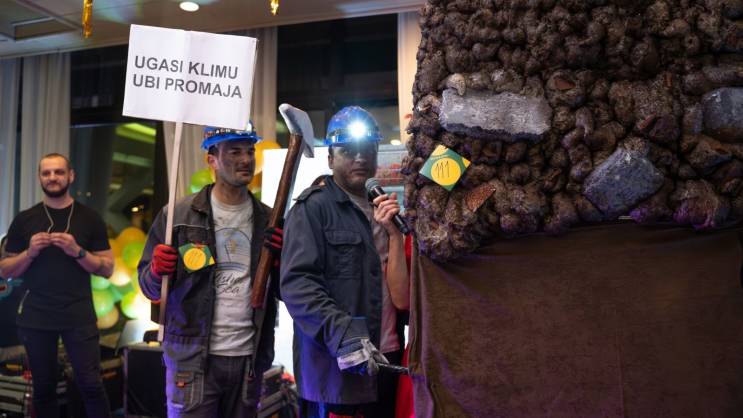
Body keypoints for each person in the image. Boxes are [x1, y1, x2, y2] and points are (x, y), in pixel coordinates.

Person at [137, 124, 282, 418]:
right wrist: (155, 271)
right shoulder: (177, 216)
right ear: (212, 159)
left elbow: (284, 293)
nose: (246, 159)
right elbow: (148, 287)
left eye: (250, 150)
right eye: (235, 151)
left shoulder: (269, 219)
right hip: (192, 361)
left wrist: (282, 264)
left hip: (249, 359)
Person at [280, 106, 408, 418]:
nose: (360, 158)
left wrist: (395, 234)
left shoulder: (386, 211)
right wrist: (344, 335)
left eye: (367, 149)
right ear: (330, 158)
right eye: (348, 151)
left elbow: (401, 295)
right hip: (336, 370)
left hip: (387, 359)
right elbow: (298, 287)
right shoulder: (312, 209)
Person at [0, 153, 114, 418]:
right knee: (44, 389)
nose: (53, 177)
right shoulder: (24, 219)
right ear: (40, 177)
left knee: (91, 385)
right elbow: (4, 270)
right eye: (46, 173)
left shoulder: (90, 218)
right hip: (36, 316)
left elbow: (107, 269)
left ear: (70, 176)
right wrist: (29, 253)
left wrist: (78, 252)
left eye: (59, 172)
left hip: (78, 314)